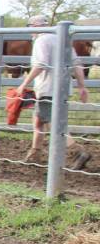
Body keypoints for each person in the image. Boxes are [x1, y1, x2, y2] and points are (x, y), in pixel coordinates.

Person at [14, 15, 91, 169]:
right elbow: (76, 63)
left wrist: (23, 84)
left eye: (29, 27)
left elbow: (40, 64)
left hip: (47, 88)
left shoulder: (41, 41)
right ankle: (34, 154)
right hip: (62, 88)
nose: (29, 31)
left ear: (35, 26)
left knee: (53, 123)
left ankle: (77, 151)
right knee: (38, 119)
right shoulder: (62, 39)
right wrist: (82, 86)